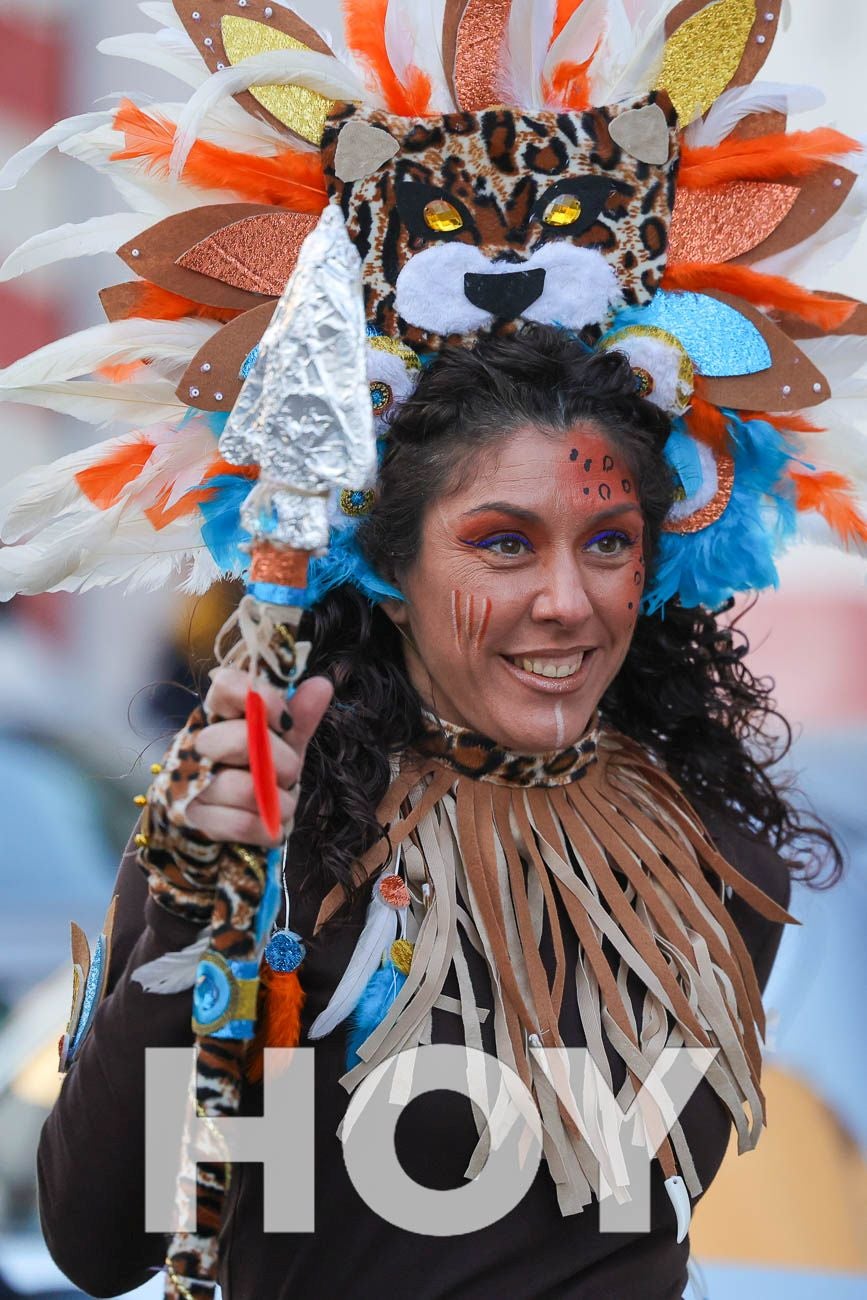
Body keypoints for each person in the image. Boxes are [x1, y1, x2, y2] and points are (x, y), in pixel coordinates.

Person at [35, 330, 838, 1300]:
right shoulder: (276, 845)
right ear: (389, 572)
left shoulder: (718, 866)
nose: (566, 600)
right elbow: (98, 1239)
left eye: (609, 542)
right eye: (504, 543)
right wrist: (200, 908)